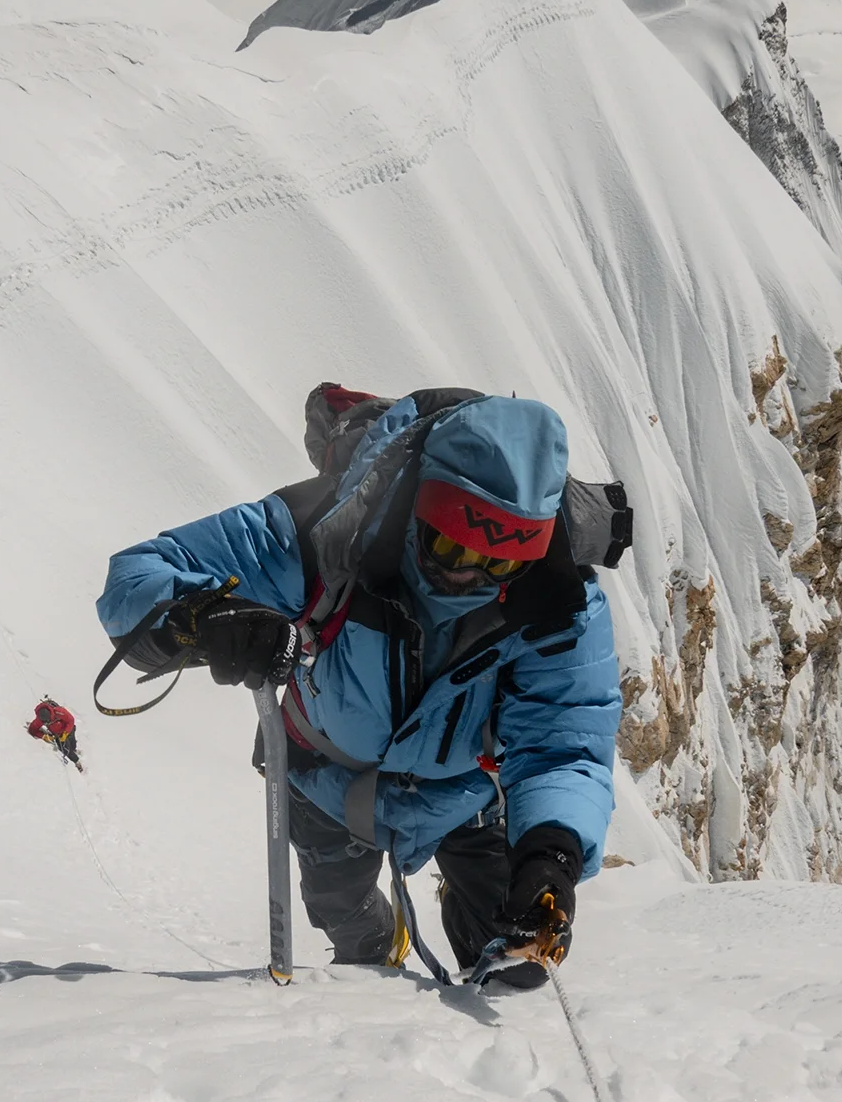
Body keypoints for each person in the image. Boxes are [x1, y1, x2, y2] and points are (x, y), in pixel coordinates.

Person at [95, 387, 619, 988]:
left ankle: (445, 912)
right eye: (449, 544)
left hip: (467, 796)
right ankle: (376, 939)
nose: (466, 574)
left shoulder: (559, 605)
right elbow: (137, 575)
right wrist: (200, 617)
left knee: (515, 968)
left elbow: (564, 741)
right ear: (421, 504)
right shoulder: (321, 534)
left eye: (498, 565)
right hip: (324, 781)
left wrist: (550, 853)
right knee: (345, 925)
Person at [27, 698, 83, 770]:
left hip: (68, 729)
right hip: (58, 735)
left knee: (72, 743)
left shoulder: (58, 711)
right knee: (66, 750)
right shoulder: (39, 720)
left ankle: (74, 749)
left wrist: (66, 732)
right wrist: (43, 736)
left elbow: (70, 720)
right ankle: (76, 761)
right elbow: (32, 730)